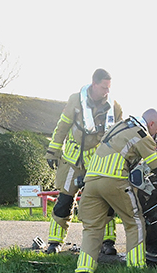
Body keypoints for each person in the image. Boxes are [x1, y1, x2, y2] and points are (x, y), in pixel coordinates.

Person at [74, 108, 157, 273]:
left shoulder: (118, 126)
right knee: (135, 223)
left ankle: (83, 271)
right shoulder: (141, 134)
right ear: (152, 124)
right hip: (114, 181)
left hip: (91, 181)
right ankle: (136, 268)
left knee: (92, 228)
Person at [44, 69, 122, 254]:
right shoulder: (75, 101)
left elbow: (119, 135)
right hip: (73, 159)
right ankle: (55, 242)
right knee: (64, 200)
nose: (107, 92)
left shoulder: (115, 107)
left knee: (105, 200)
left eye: (109, 88)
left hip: (99, 162)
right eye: (104, 87)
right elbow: (62, 126)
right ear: (94, 84)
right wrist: (52, 151)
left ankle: (107, 242)